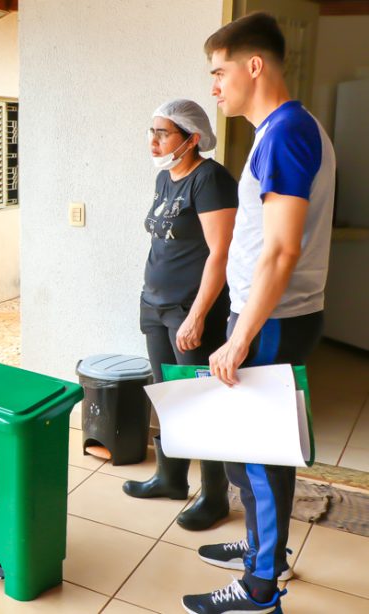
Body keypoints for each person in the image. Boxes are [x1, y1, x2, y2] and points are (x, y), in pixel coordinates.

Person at [182, 13, 335, 614]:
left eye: (219, 72)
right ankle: (260, 550)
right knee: (262, 447)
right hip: (271, 315)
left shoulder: (286, 132)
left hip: (271, 320)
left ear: (254, 65)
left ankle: (259, 588)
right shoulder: (285, 130)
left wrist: (241, 335)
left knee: (258, 449)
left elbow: (281, 247)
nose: (214, 86)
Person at [123, 99, 237, 532]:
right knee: (168, 393)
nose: (153, 141)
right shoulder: (164, 177)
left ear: (191, 138)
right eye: (151, 131)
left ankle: (214, 496)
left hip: (192, 310)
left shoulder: (210, 179)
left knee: (199, 398)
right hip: (155, 304)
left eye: (163, 133)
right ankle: (171, 478)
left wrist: (197, 316)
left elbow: (220, 253)